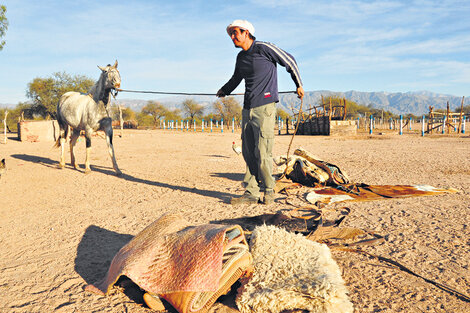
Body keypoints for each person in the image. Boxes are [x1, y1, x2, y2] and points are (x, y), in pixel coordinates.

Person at [217, 19, 304, 205]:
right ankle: (251, 192)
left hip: (265, 107)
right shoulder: (241, 58)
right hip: (247, 108)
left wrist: (299, 84)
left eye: (235, 33)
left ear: (246, 33)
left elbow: (289, 61)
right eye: (231, 34)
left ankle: (269, 191)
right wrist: (224, 90)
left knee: (263, 151)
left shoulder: (264, 48)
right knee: (248, 152)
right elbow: (236, 78)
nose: (232, 37)